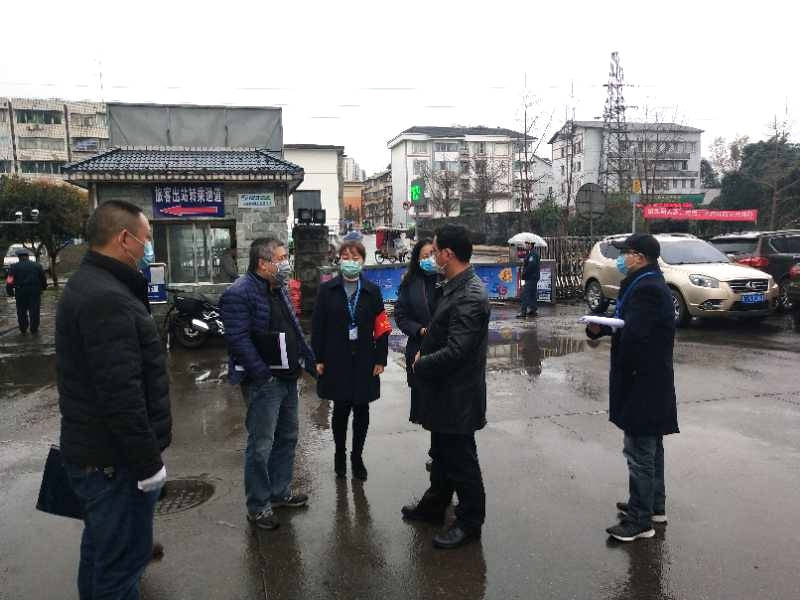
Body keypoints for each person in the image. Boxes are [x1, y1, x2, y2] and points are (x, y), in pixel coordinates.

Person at [56, 200, 172, 600]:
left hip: (100, 456)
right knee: (122, 566)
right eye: (147, 239)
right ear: (125, 239)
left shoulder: (94, 284)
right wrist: (148, 464)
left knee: (100, 555)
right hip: (113, 463)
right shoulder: (106, 298)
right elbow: (121, 394)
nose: (148, 249)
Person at [586, 233, 679, 543]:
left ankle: (640, 520)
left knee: (639, 452)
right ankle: (653, 506)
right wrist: (600, 327)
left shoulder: (648, 288)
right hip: (649, 380)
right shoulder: (643, 283)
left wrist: (623, 369)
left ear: (639, 257)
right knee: (651, 448)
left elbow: (636, 336)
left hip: (643, 382)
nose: (620, 259)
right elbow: (627, 323)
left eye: (624, 253)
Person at [402, 224, 490, 550]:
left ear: (448, 254)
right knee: (441, 454)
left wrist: (421, 363)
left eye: (436, 250)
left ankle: (469, 522)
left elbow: (457, 351)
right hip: (443, 392)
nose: (433, 255)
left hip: (458, 396)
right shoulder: (454, 286)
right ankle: (434, 505)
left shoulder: (470, 295)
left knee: (461, 461)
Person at [220, 237, 316, 531]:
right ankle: (258, 506)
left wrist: (308, 361)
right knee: (261, 445)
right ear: (263, 263)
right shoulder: (238, 293)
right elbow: (237, 340)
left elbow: (293, 330)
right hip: (264, 382)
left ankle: (279, 492)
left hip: (288, 377)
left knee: (287, 437)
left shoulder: (278, 288)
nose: (286, 263)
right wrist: (262, 374)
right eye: (281, 258)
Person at [312, 240, 389, 481]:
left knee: (362, 408)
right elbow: (318, 326)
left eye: (355, 258)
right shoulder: (327, 290)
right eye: (346, 257)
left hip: (365, 357)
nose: (351, 262)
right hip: (336, 358)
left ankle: (357, 456)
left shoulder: (372, 291)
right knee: (341, 409)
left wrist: (381, 359)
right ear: (339, 260)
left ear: (363, 261)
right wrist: (318, 358)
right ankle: (339, 454)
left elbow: (382, 328)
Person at [395, 237, 440, 436]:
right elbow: (401, 315)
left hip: (443, 347)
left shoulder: (445, 279)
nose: (430, 258)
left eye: (433, 254)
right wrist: (419, 329)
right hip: (418, 347)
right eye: (425, 256)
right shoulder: (410, 282)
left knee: (444, 403)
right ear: (417, 259)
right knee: (425, 407)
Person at [6, 247, 47, 334]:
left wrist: (10, 291)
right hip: (34, 291)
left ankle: (23, 329)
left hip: (20, 291)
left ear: (19, 257)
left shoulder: (13, 267)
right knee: (34, 310)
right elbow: (43, 278)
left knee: (21, 311)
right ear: (27, 256)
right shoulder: (37, 265)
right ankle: (34, 329)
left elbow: (9, 280)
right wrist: (43, 288)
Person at [517, 241, 540, 317]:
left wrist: (524, 273)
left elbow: (531, 266)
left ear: (530, 244)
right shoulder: (530, 253)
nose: (525, 245)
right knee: (532, 294)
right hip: (532, 277)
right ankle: (533, 310)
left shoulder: (533, 254)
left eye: (527, 244)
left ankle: (523, 312)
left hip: (531, 277)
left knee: (525, 293)